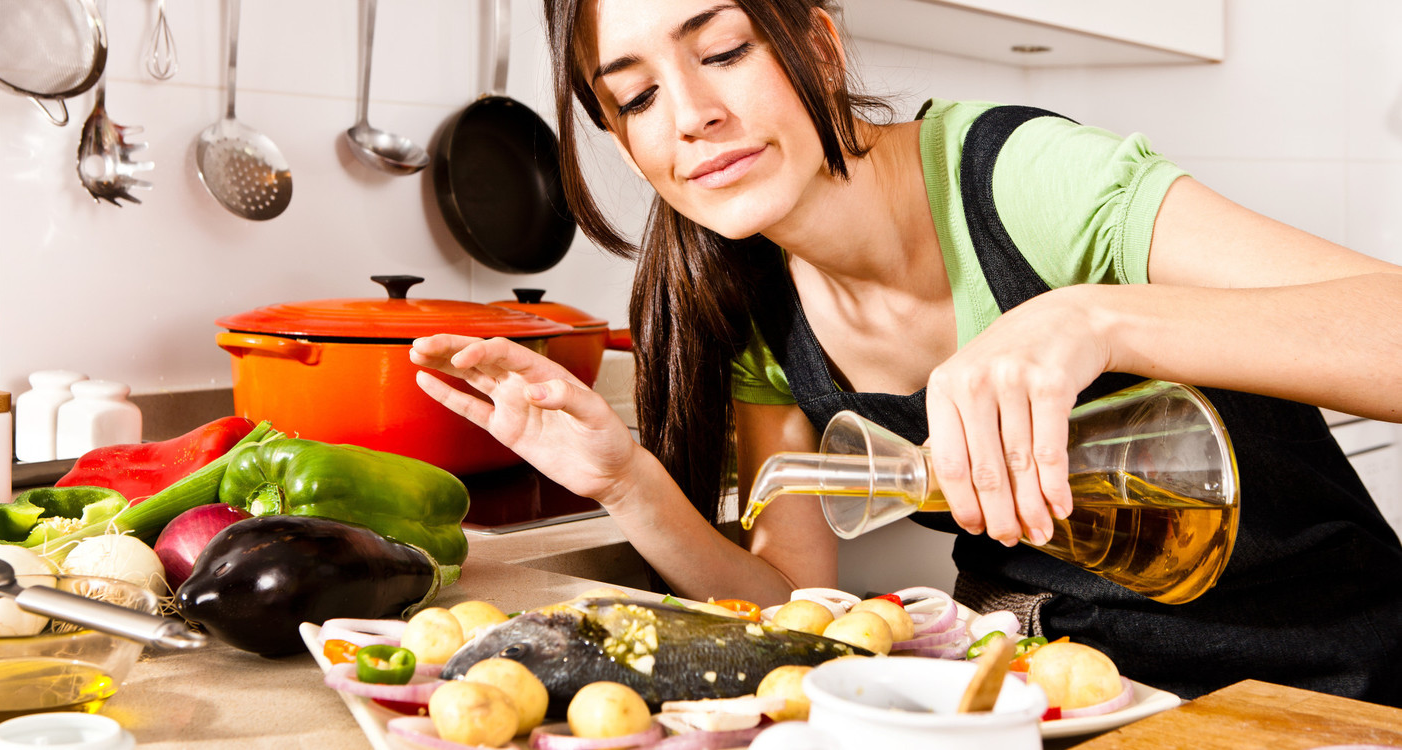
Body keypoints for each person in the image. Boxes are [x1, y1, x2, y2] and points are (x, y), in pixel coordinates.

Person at [410, 0, 1402, 706]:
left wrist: (1097, 319)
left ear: (818, 40)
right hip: (1064, 706)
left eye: (720, 49)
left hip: (1330, 700)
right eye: (633, 98)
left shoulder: (1026, 185)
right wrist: (625, 481)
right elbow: (793, 600)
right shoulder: (756, 309)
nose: (688, 116)